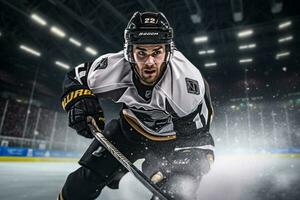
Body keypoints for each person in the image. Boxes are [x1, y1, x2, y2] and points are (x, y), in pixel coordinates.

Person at [58, 11, 215, 200]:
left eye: (156, 52)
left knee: (177, 192)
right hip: (128, 133)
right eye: (141, 52)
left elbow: (196, 139)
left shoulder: (185, 83)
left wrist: (185, 165)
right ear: (129, 52)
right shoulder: (113, 67)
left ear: (168, 51)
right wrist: (81, 102)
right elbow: (75, 78)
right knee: (77, 188)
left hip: (172, 142)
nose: (149, 62)